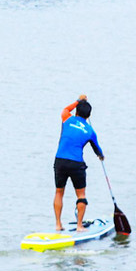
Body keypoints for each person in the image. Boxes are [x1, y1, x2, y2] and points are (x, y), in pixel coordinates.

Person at [52, 95, 105, 231]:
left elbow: (65, 108)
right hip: (76, 164)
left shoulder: (67, 118)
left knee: (59, 192)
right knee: (81, 195)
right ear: (88, 116)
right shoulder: (90, 131)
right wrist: (101, 156)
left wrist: (78, 100)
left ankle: (58, 224)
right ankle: (80, 226)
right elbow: (97, 149)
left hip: (60, 160)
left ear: (76, 111)